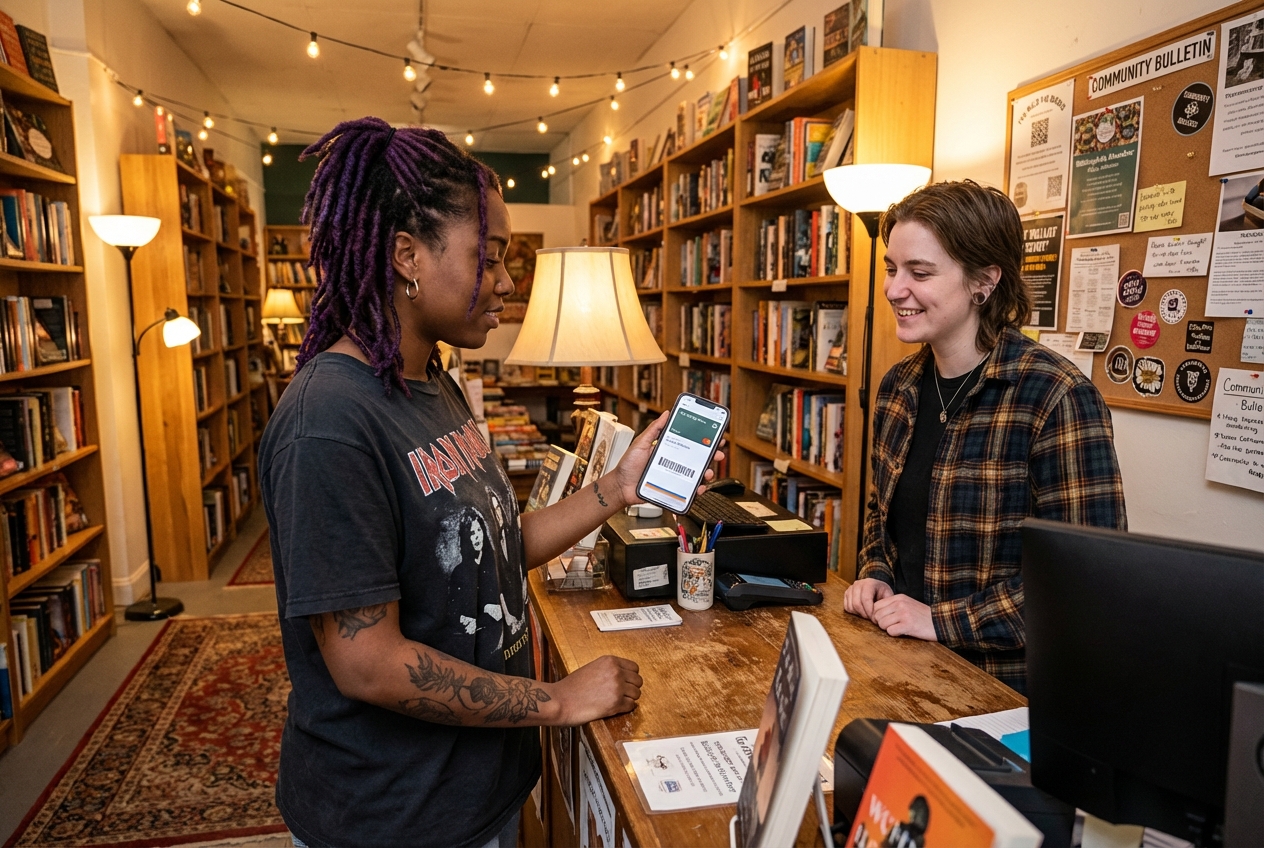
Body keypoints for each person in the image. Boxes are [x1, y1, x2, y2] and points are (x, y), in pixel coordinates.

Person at [259, 117, 714, 848]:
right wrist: (556, 701)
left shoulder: (429, 381)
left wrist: (617, 489)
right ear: (406, 255)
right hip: (391, 816)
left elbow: (487, 548)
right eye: (490, 257)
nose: (507, 281)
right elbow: (368, 663)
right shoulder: (329, 423)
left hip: (476, 790)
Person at [842, 180, 1126, 694]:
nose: (892, 289)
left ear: (984, 281)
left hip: (999, 692)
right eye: (891, 268)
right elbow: (880, 516)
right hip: (896, 666)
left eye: (919, 272)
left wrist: (941, 621)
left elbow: (1085, 584)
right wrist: (876, 573)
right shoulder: (897, 387)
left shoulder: (1055, 396)